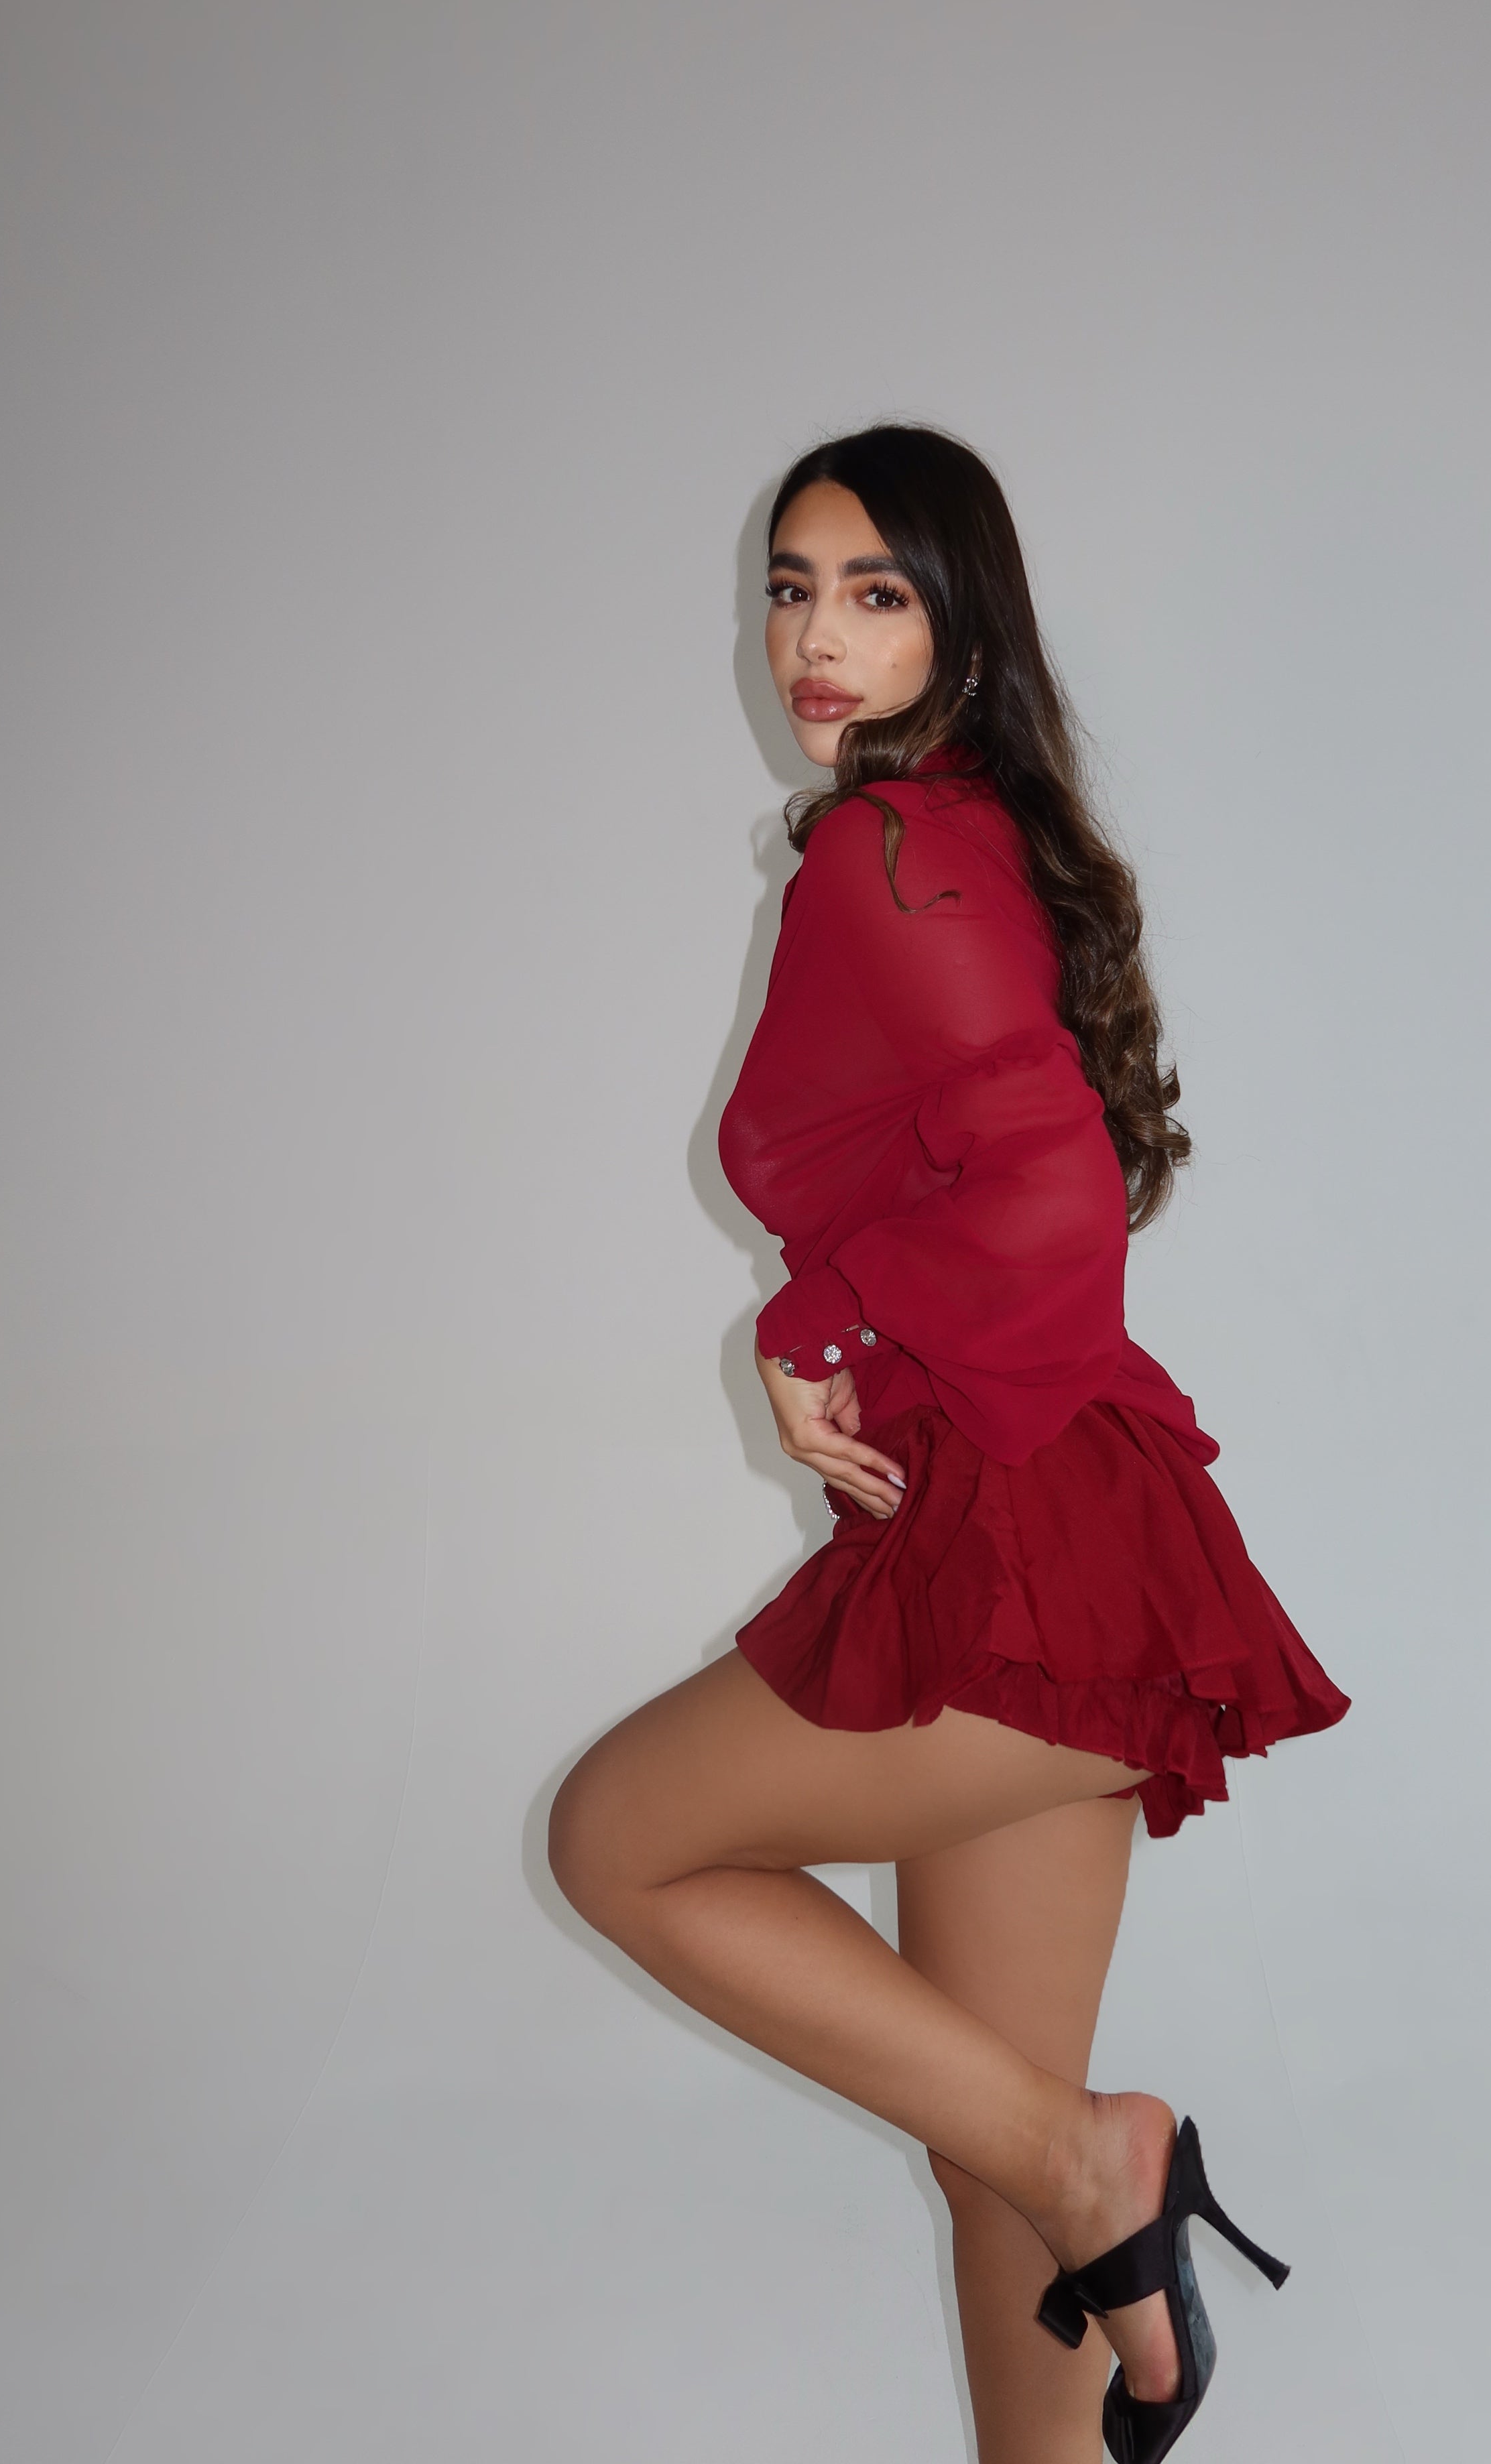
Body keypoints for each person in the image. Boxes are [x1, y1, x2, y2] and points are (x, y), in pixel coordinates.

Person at [549, 424, 1349, 2463]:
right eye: (789, 589)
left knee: (616, 1841)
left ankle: (1104, 2167)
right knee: (984, 2145)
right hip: (1056, 1509)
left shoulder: (887, 849)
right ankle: (1075, 2185)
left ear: (961, 629)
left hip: (1019, 1532)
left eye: (873, 593)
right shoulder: (967, 831)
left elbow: (1051, 1196)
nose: (813, 638)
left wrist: (804, 1322)